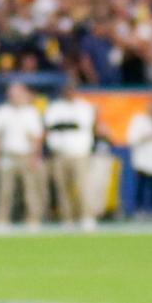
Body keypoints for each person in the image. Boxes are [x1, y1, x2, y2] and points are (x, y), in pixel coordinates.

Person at [0, 81, 47, 225]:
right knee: (4, 191)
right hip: (6, 156)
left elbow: (37, 138)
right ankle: (0, 220)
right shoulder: (2, 111)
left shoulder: (31, 112)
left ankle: (33, 220)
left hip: (25, 156)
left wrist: (35, 157)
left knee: (30, 191)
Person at [42, 84, 98, 228]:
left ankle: (86, 216)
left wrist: (62, 126)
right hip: (60, 153)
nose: (69, 93)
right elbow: (50, 126)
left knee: (83, 186)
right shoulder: (55, 107)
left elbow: (81, 125)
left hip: (79, 152)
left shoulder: (84, 107)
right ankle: (67, 219)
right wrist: (65, 126)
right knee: (62, 188)